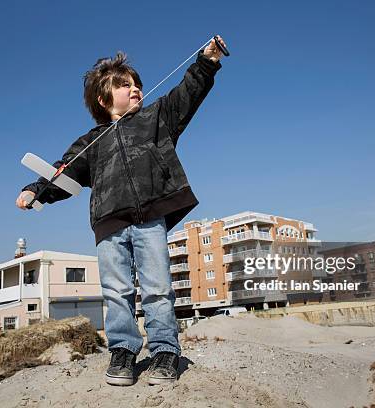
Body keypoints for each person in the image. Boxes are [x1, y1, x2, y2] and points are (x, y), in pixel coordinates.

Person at [16, 36, 226, 386]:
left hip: (149, 219)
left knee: (157, 287)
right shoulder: (91, 141)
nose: (135, 89)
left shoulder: (157, 117)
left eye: (137, 84)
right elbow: (63, 170)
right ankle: (123, 350)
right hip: (108, 222)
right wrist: (36, 189)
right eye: (125, 85)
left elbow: (187, 94)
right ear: (103, 99)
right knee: (116, 290)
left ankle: (163, 351)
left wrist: (207, 62)